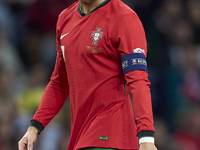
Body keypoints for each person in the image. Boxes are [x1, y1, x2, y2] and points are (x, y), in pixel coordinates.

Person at [18, 0, 158, 150]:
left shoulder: (124, 18)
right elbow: (59, 83)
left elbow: (138, 79)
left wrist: (146, 137)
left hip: (111, 136)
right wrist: (34, 127)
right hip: (80, 137)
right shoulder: (65, 19)